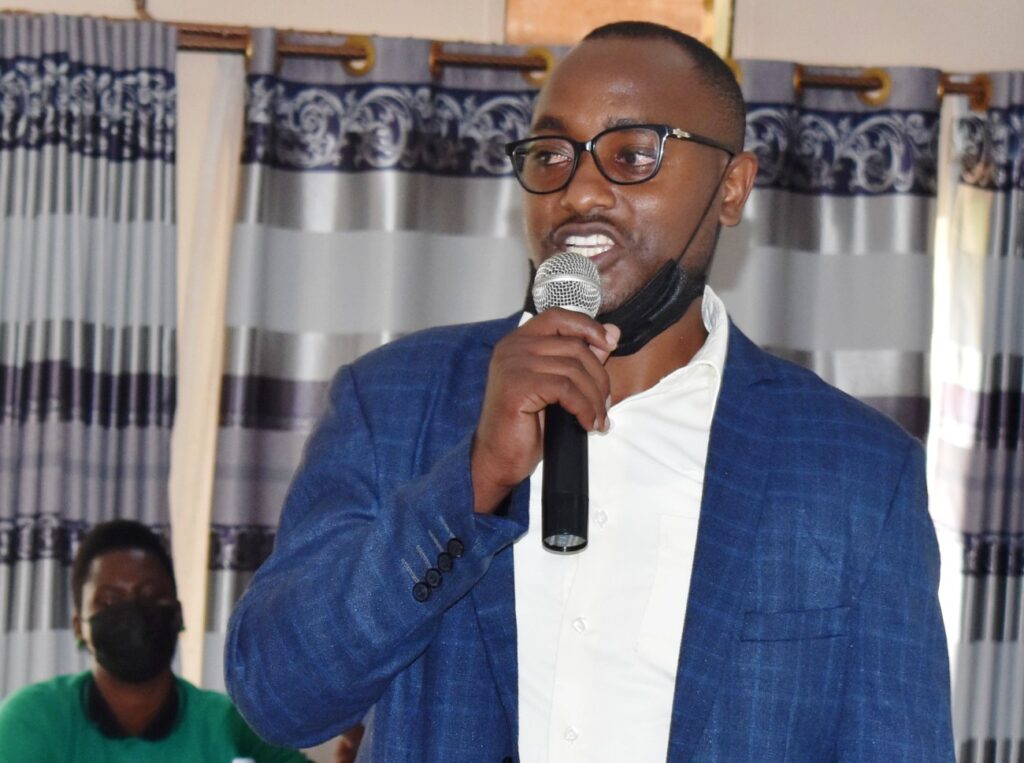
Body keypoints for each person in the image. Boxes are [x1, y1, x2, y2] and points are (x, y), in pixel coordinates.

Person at [224, 21, 954, 762]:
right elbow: (277, 694)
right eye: (551, 155)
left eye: (632, 154)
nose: (579, 192)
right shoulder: (393, 402)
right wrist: (474, 481)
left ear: (731, 186)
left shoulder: (860, 472)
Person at [0, 519, 310, 762]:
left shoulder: (228, 722)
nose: (132, 610)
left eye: (150, 595)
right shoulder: (33, 718)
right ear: (79, 627)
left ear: (178, 615)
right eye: (109, 601)